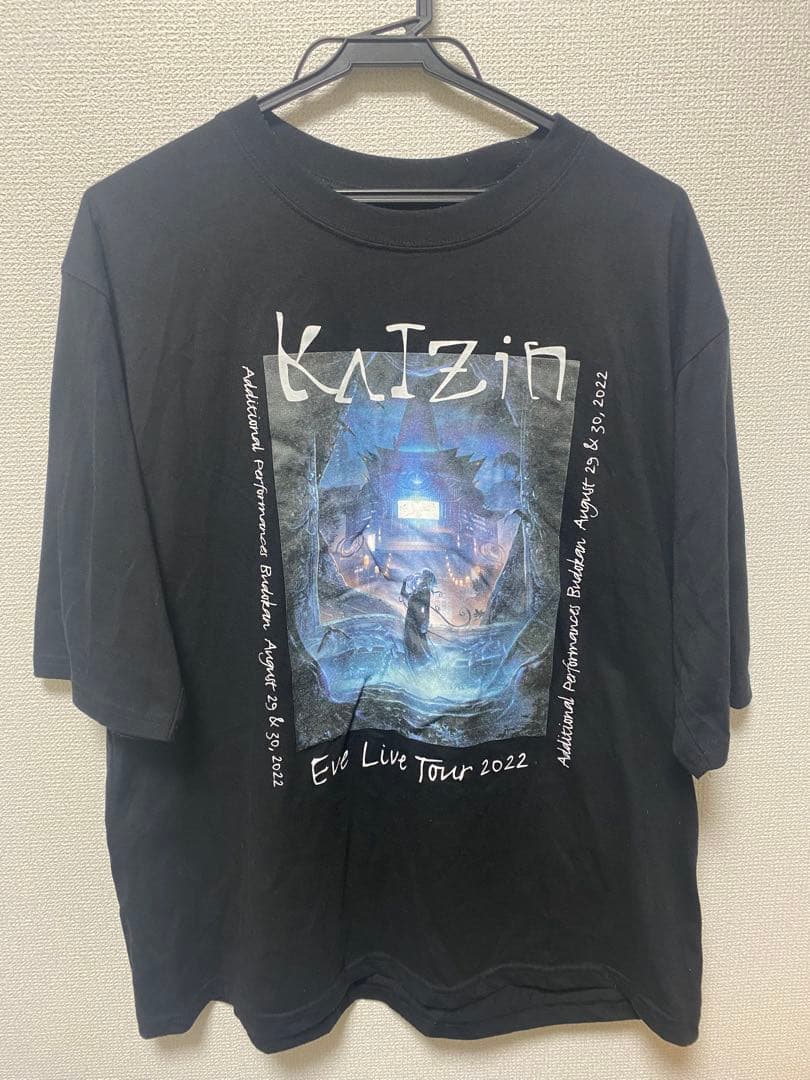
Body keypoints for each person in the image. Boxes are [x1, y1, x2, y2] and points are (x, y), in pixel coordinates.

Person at [400, 568, 437, 664]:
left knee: (417, 642)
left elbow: (426, 608)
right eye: (423, 576)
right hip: (410, 618)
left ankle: (425, 662)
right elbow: (403, 594)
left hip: (417, 619)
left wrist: (425, 623)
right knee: (410, 641)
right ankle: (417, 662)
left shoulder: (425, 590)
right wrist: (404, 582)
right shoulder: (417, 590)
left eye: (425, 576)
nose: (422, 577)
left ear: (428, 579)